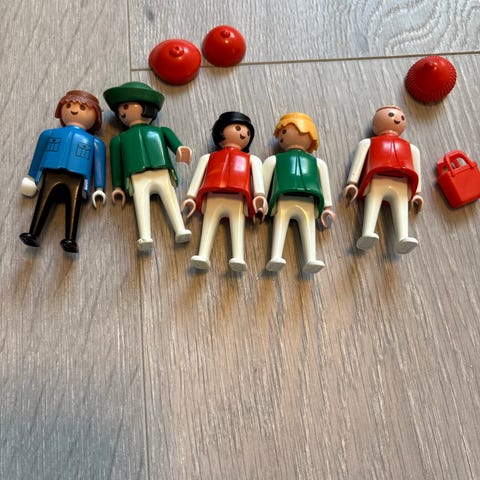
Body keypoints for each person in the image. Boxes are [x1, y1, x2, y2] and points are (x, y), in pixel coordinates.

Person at [103, 81, 192, 251]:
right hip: (136, 175)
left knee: (170, 198)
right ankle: (145, 236)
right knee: (140, 202)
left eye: (126, 106)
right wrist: (117, 186)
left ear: (147, 107)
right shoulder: (118, 140)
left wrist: (180, 150)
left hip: (162, 170)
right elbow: (116, 164)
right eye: (120, 108)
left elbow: (175, 144)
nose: (122, 111)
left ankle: (180, 229)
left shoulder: (161, 131)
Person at [20, 90, 106, 253]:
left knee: (74, 205)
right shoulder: (49, 134)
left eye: (83, 107)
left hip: (77, 176)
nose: (74, 110)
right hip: (50, 170)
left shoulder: (95, 142)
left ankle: (70, 239)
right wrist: (31, 176)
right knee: (43, 201)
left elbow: (99, 165)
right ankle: (33, 233)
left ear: (96, 116)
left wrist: (99, 188)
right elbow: (38, 155)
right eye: (68, 105)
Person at [182, 112, 267, 271]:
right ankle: (202, 255)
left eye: (248, 132)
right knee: (209, 224)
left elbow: (258, 181)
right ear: (220, 130)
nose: (243, 133)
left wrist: (259, 196)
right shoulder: (208, 157)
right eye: (238, 128)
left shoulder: (252, 159)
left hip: (238, 198)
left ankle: (238, 257)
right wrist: (191, 197)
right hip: (212, 195)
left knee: (237, 225)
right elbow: (198, 176)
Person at [344, 105, 423, 254]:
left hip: (402, 183)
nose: (397, 119)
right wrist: (352, 183)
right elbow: (358, 162)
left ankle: (403, 237)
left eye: (401, 117)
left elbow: (417, 169)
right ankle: (367, 233)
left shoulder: (412, 148)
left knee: (401, 205)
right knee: (373, 201)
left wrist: (417, 193)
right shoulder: (368, 142)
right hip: (376, 179)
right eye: (391, 115)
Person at [263, 112, 335, 274]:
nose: (283, 135)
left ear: (309, 134)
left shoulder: (318, 163)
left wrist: (328, 207)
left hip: (309, 200)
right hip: (282, 199)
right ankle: (275, 257)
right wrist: (261, 200)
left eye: (285, 131)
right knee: (280, 225)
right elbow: (264, 182)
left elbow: (325, 184)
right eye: (282, 132)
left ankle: (311, 259)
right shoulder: (275, 160)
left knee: (308, 227)